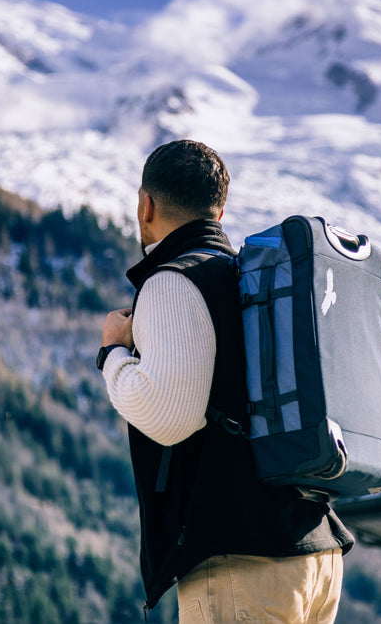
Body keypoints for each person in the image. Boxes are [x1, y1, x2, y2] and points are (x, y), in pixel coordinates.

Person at [98, 139, 354, 622]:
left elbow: (169, 416)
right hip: (312, 546)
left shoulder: (174, 281)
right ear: (221, 207)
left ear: (145, 205)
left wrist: (113, 352)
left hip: (243, 561)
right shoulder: (250, 280)